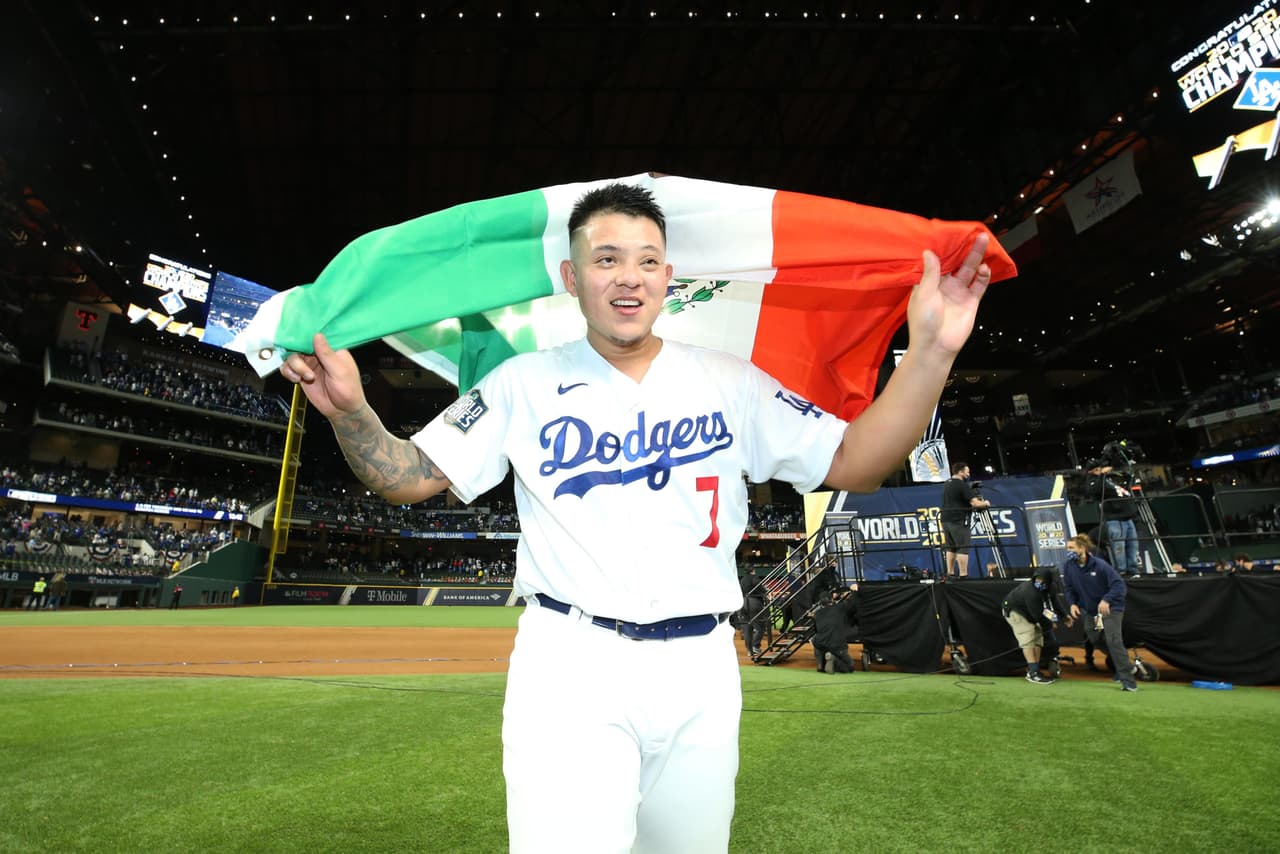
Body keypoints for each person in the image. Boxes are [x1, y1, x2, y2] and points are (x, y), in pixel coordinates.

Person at [280, 182, 992, 852]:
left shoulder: (728, 380)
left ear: (668, 277)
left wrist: (932, 351)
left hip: (702, 666)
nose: (629, 276)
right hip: (572, 661)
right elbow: (409, 476)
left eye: (647, 260)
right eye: (607, 258)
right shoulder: (522, 382)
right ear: (570, 277)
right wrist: (352, 412)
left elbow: (857, 461)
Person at [1061, 534, 1137, 692]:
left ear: (1082, 548)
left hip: (1111, 609)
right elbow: (1068, 587)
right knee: (1095, 636)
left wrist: (1107, 600)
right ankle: (1126, 665)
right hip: (1092, 612)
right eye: (1067, 548)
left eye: (1071, 548)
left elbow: (1119, 585)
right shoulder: (1069, 566)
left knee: (1113, 640)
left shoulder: (1100, 565)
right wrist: (1073, 603)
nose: (1068, 551)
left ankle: (1128, 681)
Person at [1001, 566, 1072, 684]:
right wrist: (1050, 624)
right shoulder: (1031, 592)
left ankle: (1034, 669)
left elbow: (1054, 601)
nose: (1038, 582)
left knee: (1038, 636)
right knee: (1028, 634)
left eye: (1041, 580)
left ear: (1048, 581)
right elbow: (1037, 615)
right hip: (1014, 611)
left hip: (1029, 611)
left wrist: (1065, 616)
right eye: (1037, 579)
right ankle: (1033, 674)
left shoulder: (1051, 587)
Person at [1084, 461, 1141, 575]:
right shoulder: (1093, 480)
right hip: (1115, 519)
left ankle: (1133, 571)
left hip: (1127, 517)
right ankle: (1121, 573)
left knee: (1132, 546)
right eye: (1098, 469)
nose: (1101, 470)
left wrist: (1128, 477)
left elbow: (1126, 489)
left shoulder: (1110, 480)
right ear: (1093, 471)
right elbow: (1094, 490)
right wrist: (1102, 475)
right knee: (1119, 548)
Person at [940, 461, 990, 577]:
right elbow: (975, 503)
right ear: (961, 471)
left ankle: (950, 573)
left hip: (945, 519)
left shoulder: (947, 483)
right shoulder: (962, 485)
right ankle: (963, 575)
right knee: (963, 547)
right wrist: (985, 503)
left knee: (950, 547)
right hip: (958, 520)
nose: (969, 474)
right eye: (967, 472)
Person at [812, 586, 859, 674]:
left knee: (816, 641)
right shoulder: (839, 608)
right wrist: (854, 591)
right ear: (832, 599)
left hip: (821, 644)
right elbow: (853, 603)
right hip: (837, 645)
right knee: (850, 667)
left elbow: (816, 630)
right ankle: (835, 660)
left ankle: (820, 665)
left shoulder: (817, 614)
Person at [737, 568, 767, 657]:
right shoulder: (754, 577)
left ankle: (750, 650)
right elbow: (759, 586)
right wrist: (765, 591)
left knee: (747, 629)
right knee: (760, 627)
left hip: (742, 603)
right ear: (753, 570)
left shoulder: (742, 579)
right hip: (754, 602)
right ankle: (756, 646)